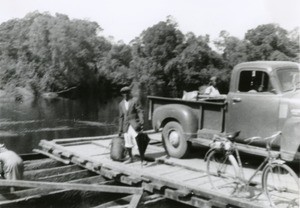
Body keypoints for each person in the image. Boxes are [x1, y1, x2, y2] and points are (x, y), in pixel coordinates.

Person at [118, 86, 144, 164]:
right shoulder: (121, 104)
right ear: (122, 94)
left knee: (138, 140)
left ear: (129, 93)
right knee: (128, 142)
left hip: (134, 123)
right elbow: (121, 117)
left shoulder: (134, 101)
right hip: (126, 125)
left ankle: (142, 158)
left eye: (127, 93)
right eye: (123, 93)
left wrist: (141, 120)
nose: (125, 95)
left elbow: (140, 111)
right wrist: (120, 130)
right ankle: (130, 158)